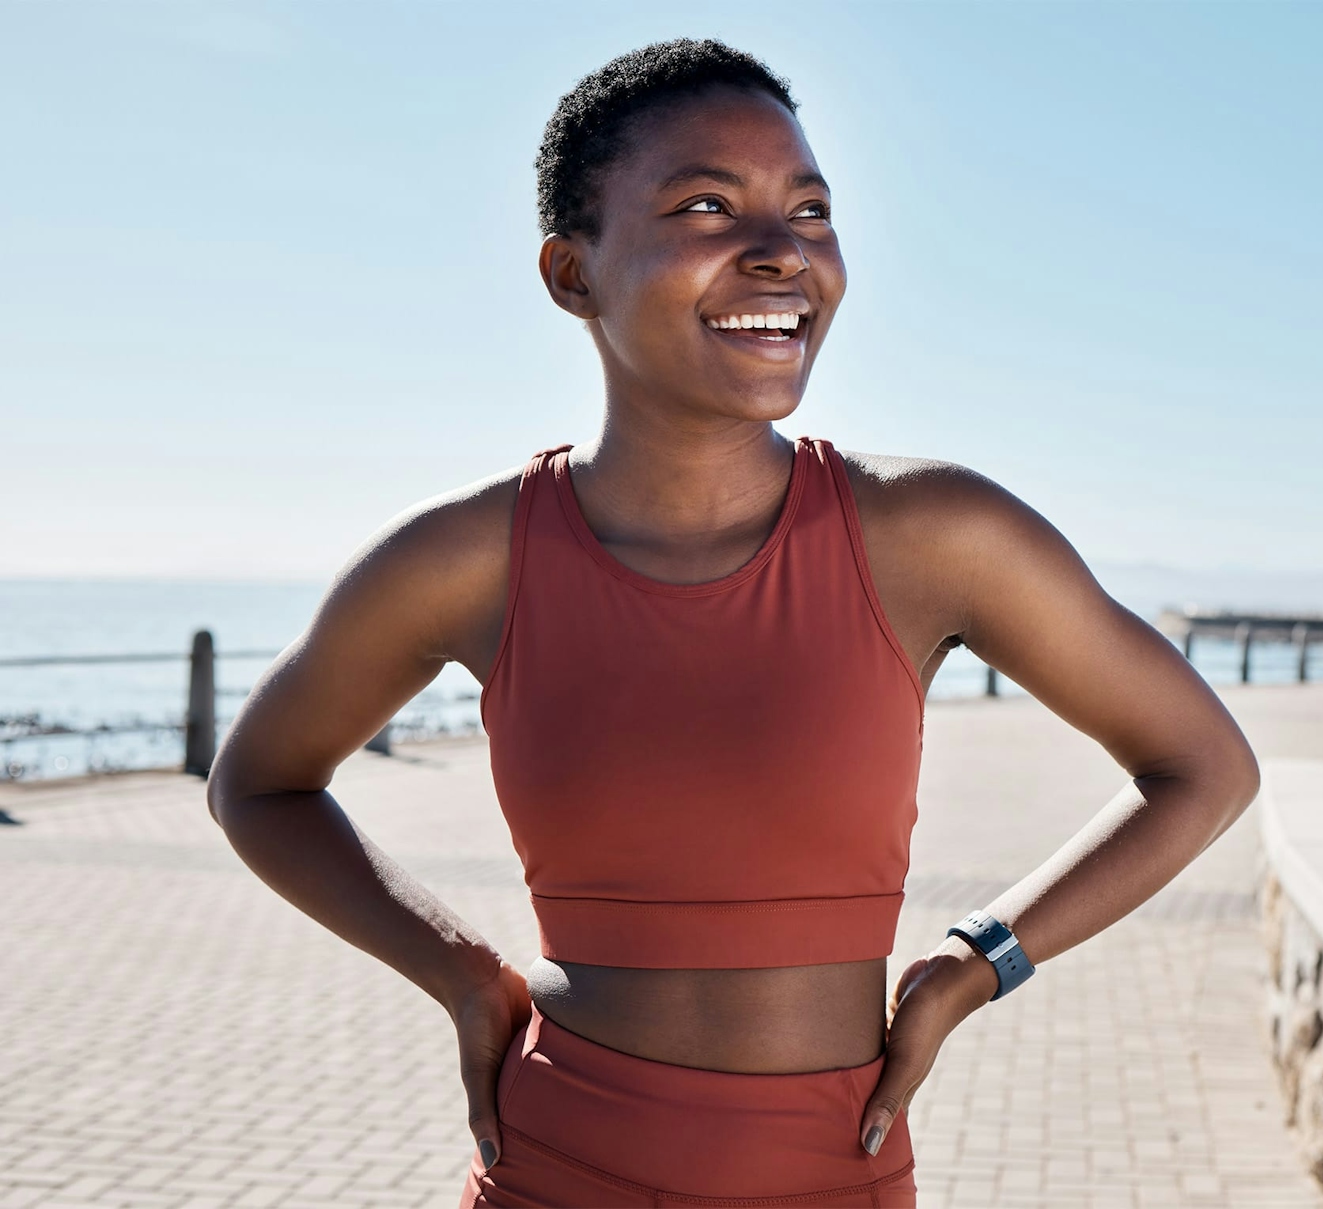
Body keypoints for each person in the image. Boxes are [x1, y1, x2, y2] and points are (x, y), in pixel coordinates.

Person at [208, 38, 1260, 1208]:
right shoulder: (466, 558)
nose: (780, 251)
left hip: (831, 1172)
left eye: (810, 210)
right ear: (571, 273)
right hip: (552, 1167)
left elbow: (1201, 767)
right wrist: (458, 973)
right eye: (707, 203)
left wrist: (976, 964)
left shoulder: (932, 533)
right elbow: (260, 781)